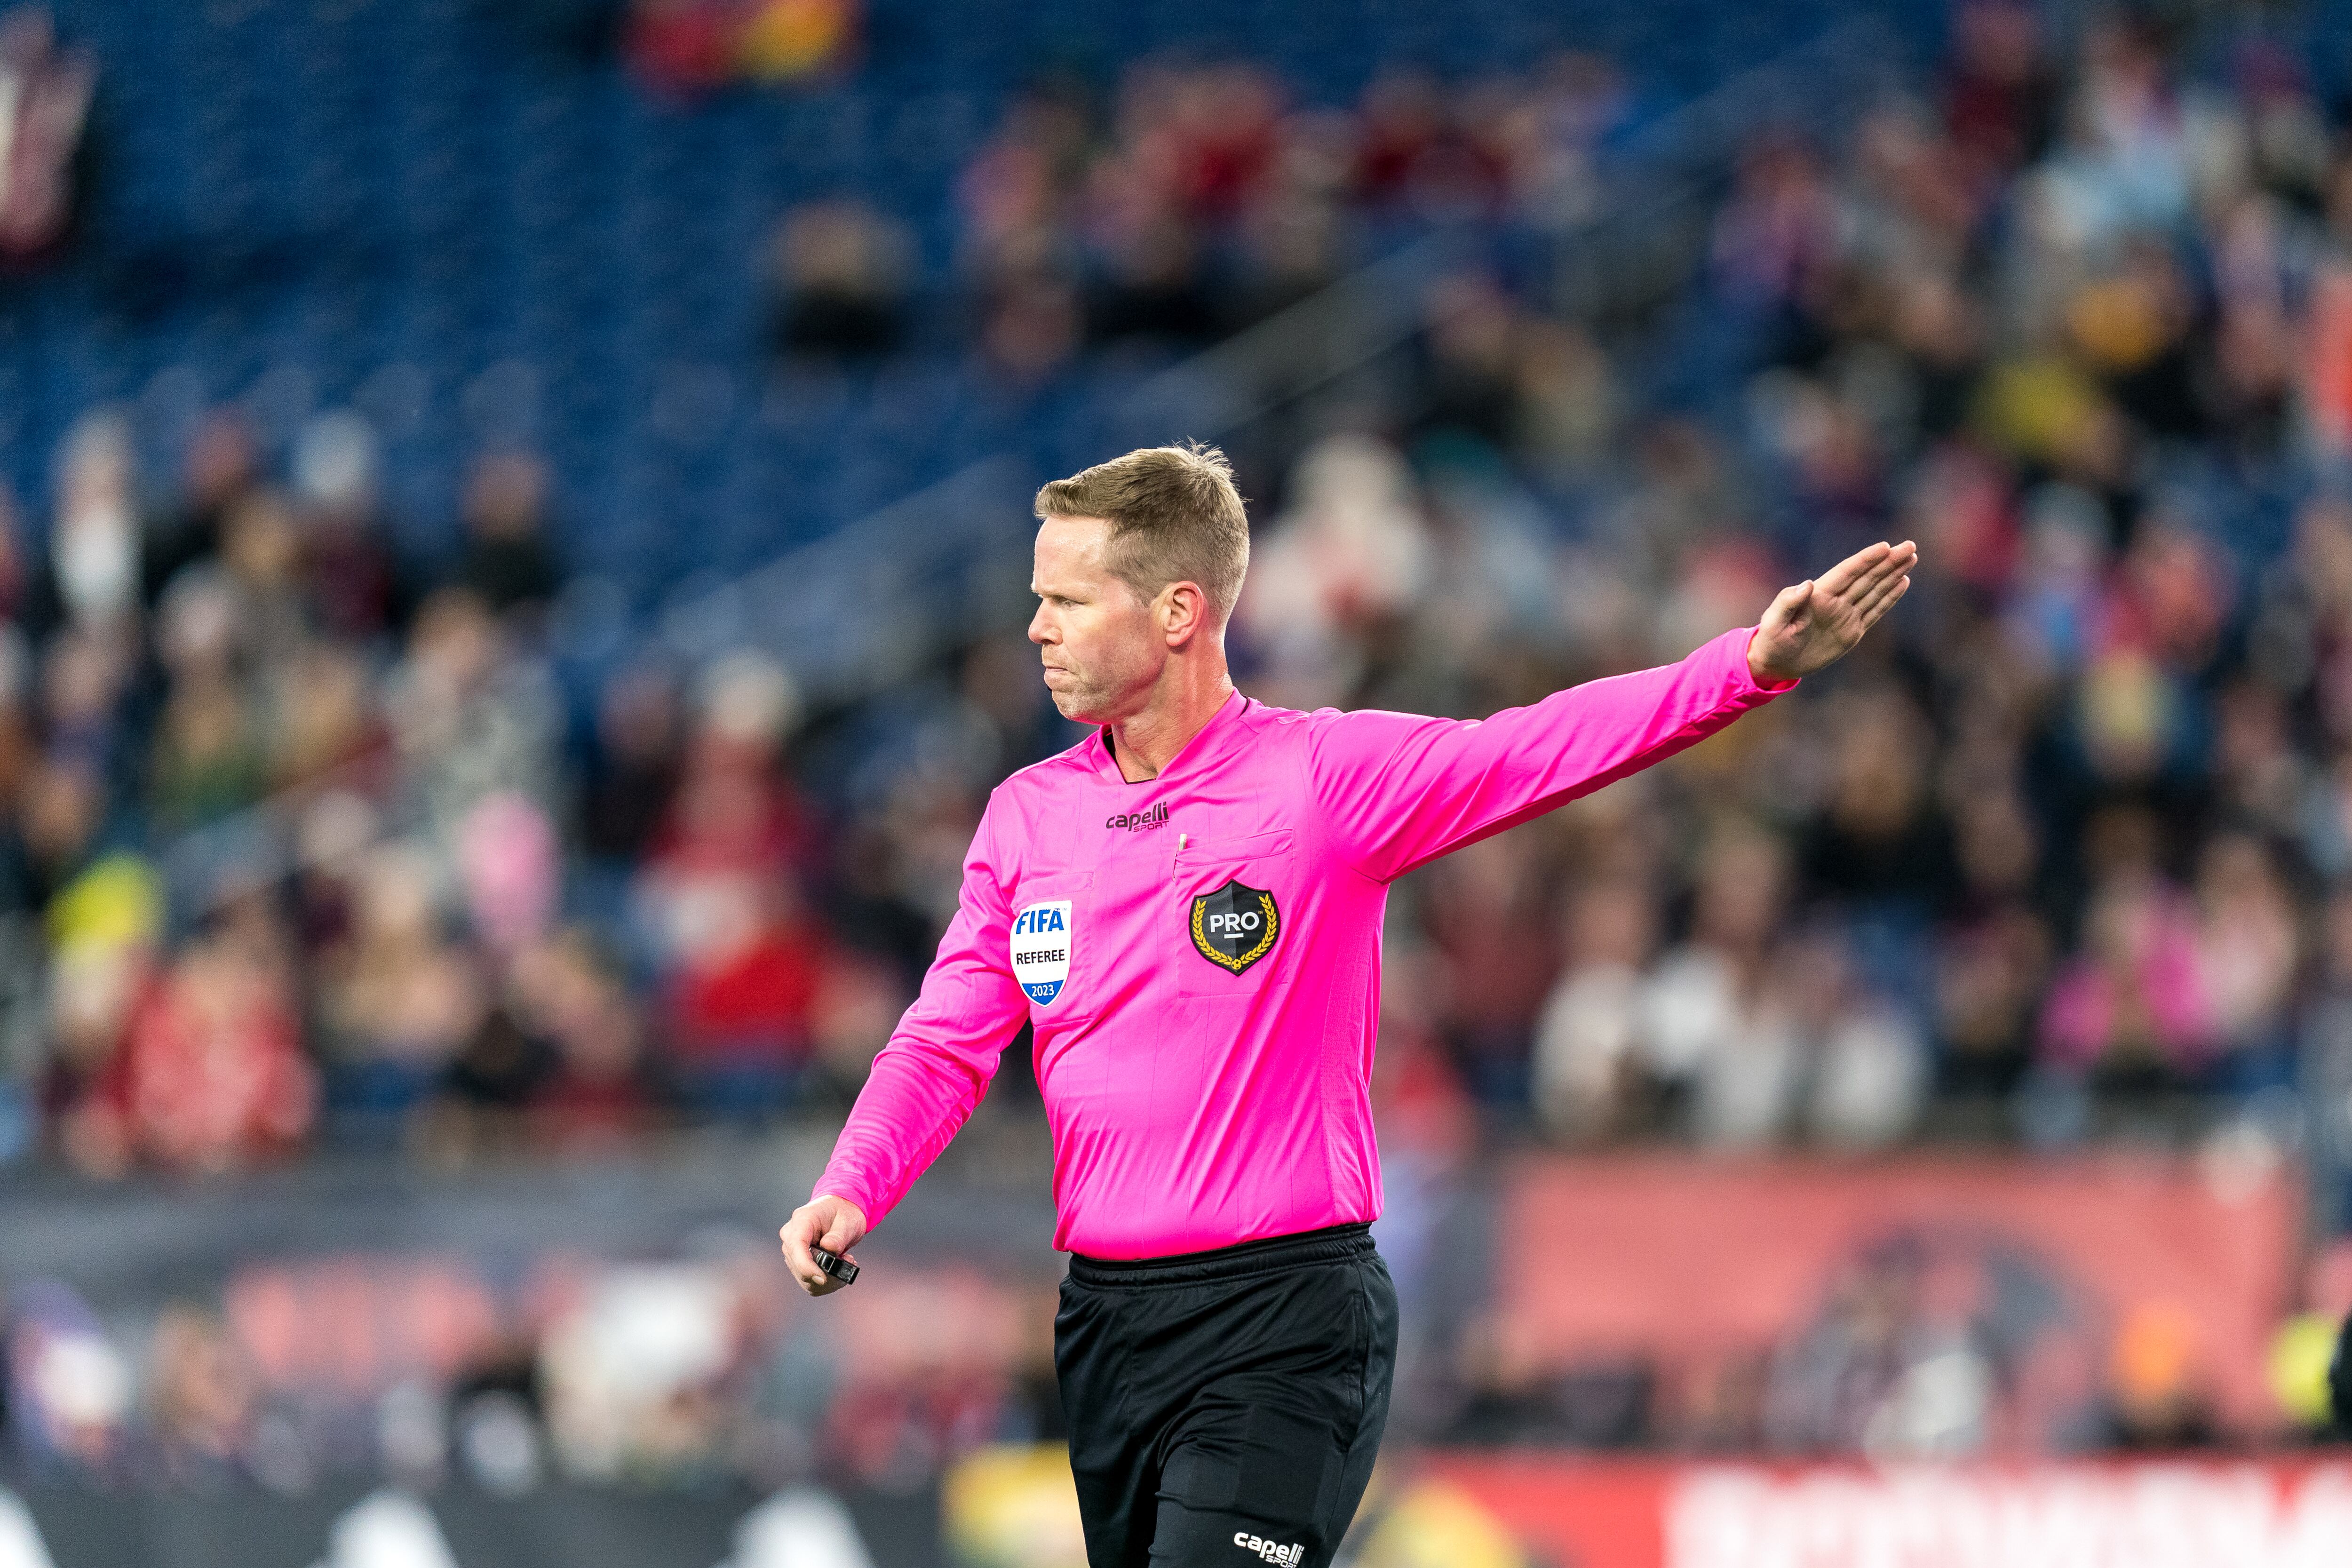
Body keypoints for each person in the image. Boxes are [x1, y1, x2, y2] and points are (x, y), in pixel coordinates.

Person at [779, 443, 1915, 1568]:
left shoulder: (1320, 780)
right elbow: (946, 1035)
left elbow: (1534, 748)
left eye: (1068, 600)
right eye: (1039, 599)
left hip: (1282, 1317)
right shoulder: (1027, 818)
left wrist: (1748, 665)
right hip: (1107, 1327)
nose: (1036, 627)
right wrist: (853, 1181)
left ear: (1179, 611)